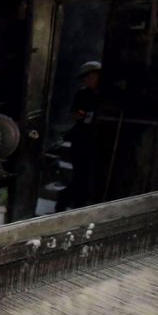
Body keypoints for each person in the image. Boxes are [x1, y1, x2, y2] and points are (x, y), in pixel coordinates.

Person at [58, 61, 102, 211]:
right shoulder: (82, 94)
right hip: (81, 140)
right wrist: (80, 115)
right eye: (86, 79)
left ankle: (77, 203)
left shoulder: (103, 95)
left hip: (96, 140)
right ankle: (67, 202)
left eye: (92, 77)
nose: (88, 81)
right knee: (80, 175)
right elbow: (75, 114)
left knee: (89, 177)